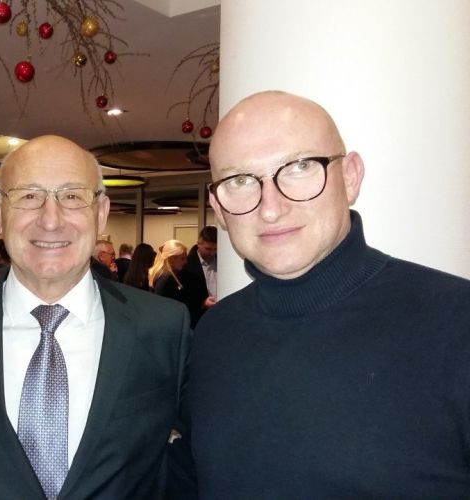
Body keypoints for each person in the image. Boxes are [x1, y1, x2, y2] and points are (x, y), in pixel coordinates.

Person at [177, 90, 470, 498]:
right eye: (240, 180)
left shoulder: (456, 323)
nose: (270, 207)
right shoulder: (215, 333)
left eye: (299, 167)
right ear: (218, 207)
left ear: (350, 176)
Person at [0, 135, 190, 499]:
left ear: (101, 212)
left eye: (72, 196)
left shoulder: (164, 327)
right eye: (28, 196)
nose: (51, 220)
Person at [180, 226, 217, 326]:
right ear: (199, 245)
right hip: (197, 318)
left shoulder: (223, 262)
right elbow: (183, 297)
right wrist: (202, 303)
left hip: (220, 314)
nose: (212, 253)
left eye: (215, 249)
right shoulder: (186, 265)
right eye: (208, 249)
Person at [148, 239, 188, 304]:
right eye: (182, 259)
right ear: (170, 258)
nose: (186, 262)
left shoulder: (162, 274)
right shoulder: (166, 277)